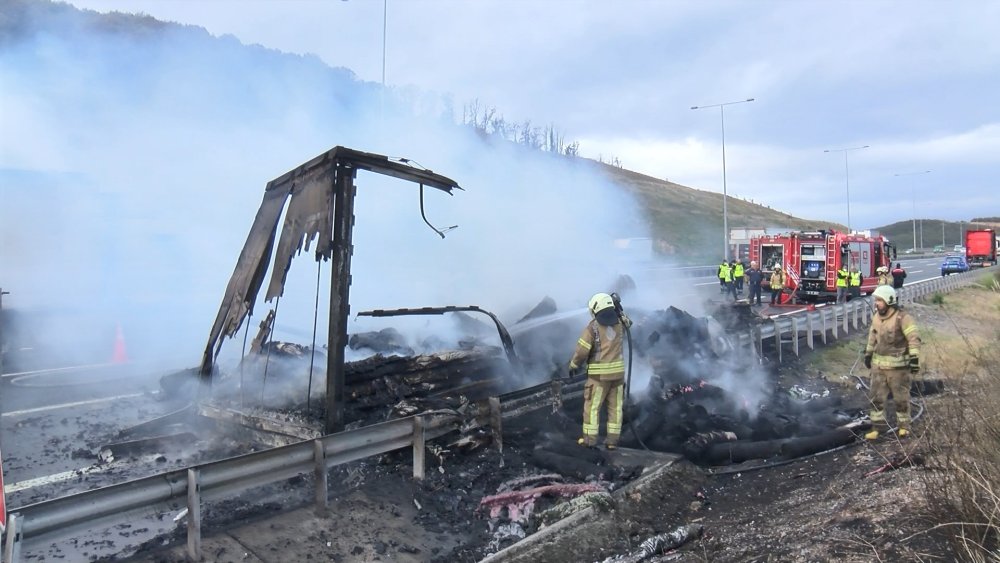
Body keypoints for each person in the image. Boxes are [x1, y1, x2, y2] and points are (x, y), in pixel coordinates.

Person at [568, 293, 632, 449]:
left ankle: (590, 440)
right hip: (618, 376)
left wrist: (573, 365)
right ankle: (612, 442)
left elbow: (582, 351)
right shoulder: (619, 322)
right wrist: (620, 310)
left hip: (598, 378)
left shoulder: (593, 327)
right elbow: (629, 323)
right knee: (615, 409)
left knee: (592, 408)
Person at [863, 285, 921, 440]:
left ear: (889, 300)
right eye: (876, 300)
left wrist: (914, 359)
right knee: (876, 399)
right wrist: (868, 354)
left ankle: (904, 427)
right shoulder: (876, 317)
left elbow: (913, 339)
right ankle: (878, 428)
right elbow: (872, 337)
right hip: (878, 369)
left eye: (880, 300)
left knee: (901, 399)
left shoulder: (903, 318)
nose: (876, 303)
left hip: (898, 369)